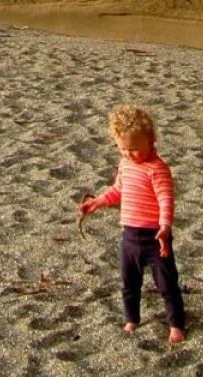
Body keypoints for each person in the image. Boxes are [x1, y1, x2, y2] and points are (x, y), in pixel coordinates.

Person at [78, 104, 187, 342]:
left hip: (155, 237)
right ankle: (131, 319)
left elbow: (166, 199)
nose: (129, 154)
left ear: (150, 140)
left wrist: (165, 226)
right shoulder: (125, 165)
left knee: (167, 284)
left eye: (134, 149)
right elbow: (118, 191)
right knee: (129, 283)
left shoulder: (158, 170)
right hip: (129, 236)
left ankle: (176, 325)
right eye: (123, 149)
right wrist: (97, 202)